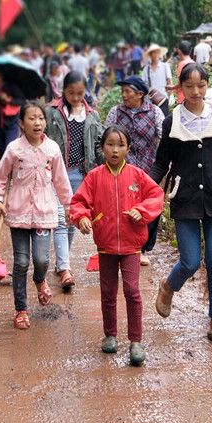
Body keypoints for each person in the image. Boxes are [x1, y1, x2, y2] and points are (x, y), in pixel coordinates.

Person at [149, 62, 212, 350]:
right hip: (185, 198)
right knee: (191, 261)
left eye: (201, 85)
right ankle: (168, 288)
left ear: (207, 85)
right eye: (189, 86)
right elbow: (161, 161)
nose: (195, 91)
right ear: (180, 87)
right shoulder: (172, 121)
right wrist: (147, 186)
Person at [70, 125, 164, 366]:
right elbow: (79, 201)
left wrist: (141, 211)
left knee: (132, 291)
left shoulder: (137, 175)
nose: (115, 150)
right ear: (102, 147)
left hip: (133, 246)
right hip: (106, 246)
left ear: (128, 148)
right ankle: (110, 335)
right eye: (110, 144)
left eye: (120, 145)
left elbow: (156, 196)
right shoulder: (94, 176)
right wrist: (81, 217)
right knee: (108, 292)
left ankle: (136, 341)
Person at [0, 101, 72, 330]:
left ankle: (39, 280)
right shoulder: (14, 149)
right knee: (21, 262)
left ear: (45, 122)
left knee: (42, 260)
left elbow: (61, 180)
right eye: (31, 119)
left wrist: (68, 205)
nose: (37, 123)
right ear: (21, 123)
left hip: (45, 212)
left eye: (41, 118)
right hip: (18, 212)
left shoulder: (52, 149)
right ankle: (21, 309)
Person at [45, 71, 103, 290]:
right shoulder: (50, 113)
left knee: (73, 219)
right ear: (63, 90)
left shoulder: (92, 115)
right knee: (61, 219)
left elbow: (98, 145)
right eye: (71, 93)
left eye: (80, 93)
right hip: (55, 174)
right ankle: (65, 268)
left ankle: (63, 263)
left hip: (81, 174)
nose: (76, 97)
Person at [104, 75, 164, 265]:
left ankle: (143, 248)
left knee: (151, 206)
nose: (123, 95)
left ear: (140, 94)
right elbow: (105, 137)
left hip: (150, 169)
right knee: (124, 207)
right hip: (122, 169)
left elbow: (164, 137)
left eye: (127, 91)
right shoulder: (116, 113)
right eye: (122, 91)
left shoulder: (154, 112)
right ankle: (127, 247)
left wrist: (164, 163)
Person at [141, 43, 172, 117]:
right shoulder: (147, 69)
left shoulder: (165, 66)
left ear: (159, 54)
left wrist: (171, 95)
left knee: (163, 121)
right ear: (150, 55)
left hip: (162, 99)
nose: (155, 55)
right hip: (151, 100)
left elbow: (169, 81)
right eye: (153, 53)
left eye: (157, 53)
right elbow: (142, 83)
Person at [166, 40, 194, 104]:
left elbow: (180, 83)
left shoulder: (182, 64)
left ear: (179, 51)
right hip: (191, 96)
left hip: (183, 97)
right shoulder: (193, 63)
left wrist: (172, 91)